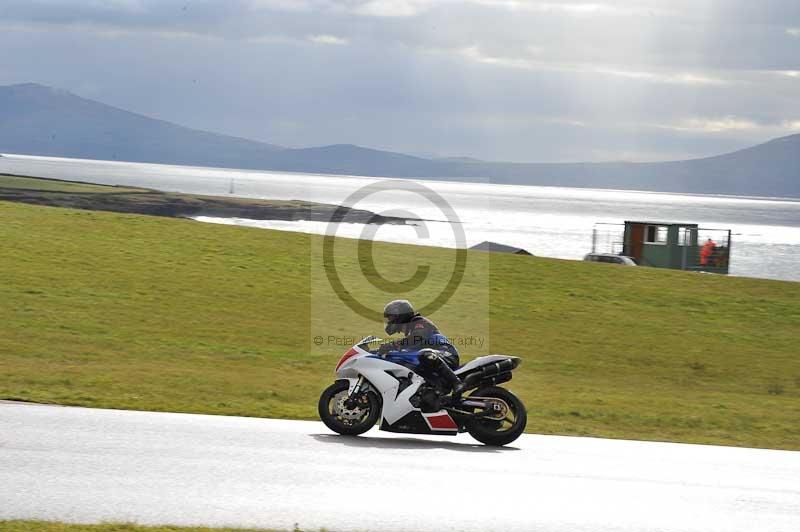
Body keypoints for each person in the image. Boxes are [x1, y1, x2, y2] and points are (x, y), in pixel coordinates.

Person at [379, 299, 465, 397]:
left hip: (447, 354)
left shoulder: (419, 322)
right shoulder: (410, 331)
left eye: (391, 317)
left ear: (400, 315)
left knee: (425, 354)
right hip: (434, 358)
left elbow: (417, 338)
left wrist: (393, 345)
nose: (389, 321)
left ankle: (457, 383)